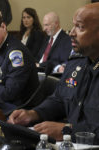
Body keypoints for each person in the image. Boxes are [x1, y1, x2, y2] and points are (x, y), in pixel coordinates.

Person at [8, 2, 99, 144]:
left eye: (80, 27)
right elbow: (59, 99)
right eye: (73, 25)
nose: (72, 33)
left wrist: (67, 131)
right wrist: (33, 113)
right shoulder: (77, 61)